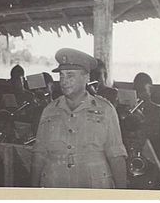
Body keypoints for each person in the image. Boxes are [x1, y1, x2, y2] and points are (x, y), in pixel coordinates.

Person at [31, 48, 127, 188]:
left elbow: (116, 156)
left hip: (93, 189)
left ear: (86, 77)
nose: (64, 81)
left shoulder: (105, 110)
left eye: (70, 75)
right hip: (56, 186)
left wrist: (122, 196)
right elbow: (39, 154)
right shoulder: (49, 110)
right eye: (61, 76)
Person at [133, 73, 160, 178]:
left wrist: (142, 120)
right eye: (136, 91)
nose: (138, 95)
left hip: (154, 157)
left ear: (150, 90)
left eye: (142, 91)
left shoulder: (159, 110)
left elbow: (155, 134)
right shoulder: (131, 111)